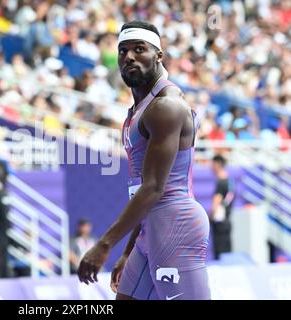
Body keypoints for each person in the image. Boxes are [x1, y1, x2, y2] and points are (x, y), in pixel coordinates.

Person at [77, 21, 211, 300]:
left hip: (175, 225)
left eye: (140, 49)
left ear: (159, 55)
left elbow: (153, 187)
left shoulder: (167, 106)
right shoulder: (140, 108)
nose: (129, 57)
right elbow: (143, 192)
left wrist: (104, 244)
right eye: (123, 51)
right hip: (151, 228)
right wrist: (129, 250)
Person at [210, 154, 235, 260]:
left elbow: (217, 201)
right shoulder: (230, 181)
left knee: (220, 253)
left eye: (212, 164)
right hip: (227, 220)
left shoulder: (221, 182)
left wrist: (211, 215)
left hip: (220, 222)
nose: (210, 167)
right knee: (227, 250)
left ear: (218, 164)